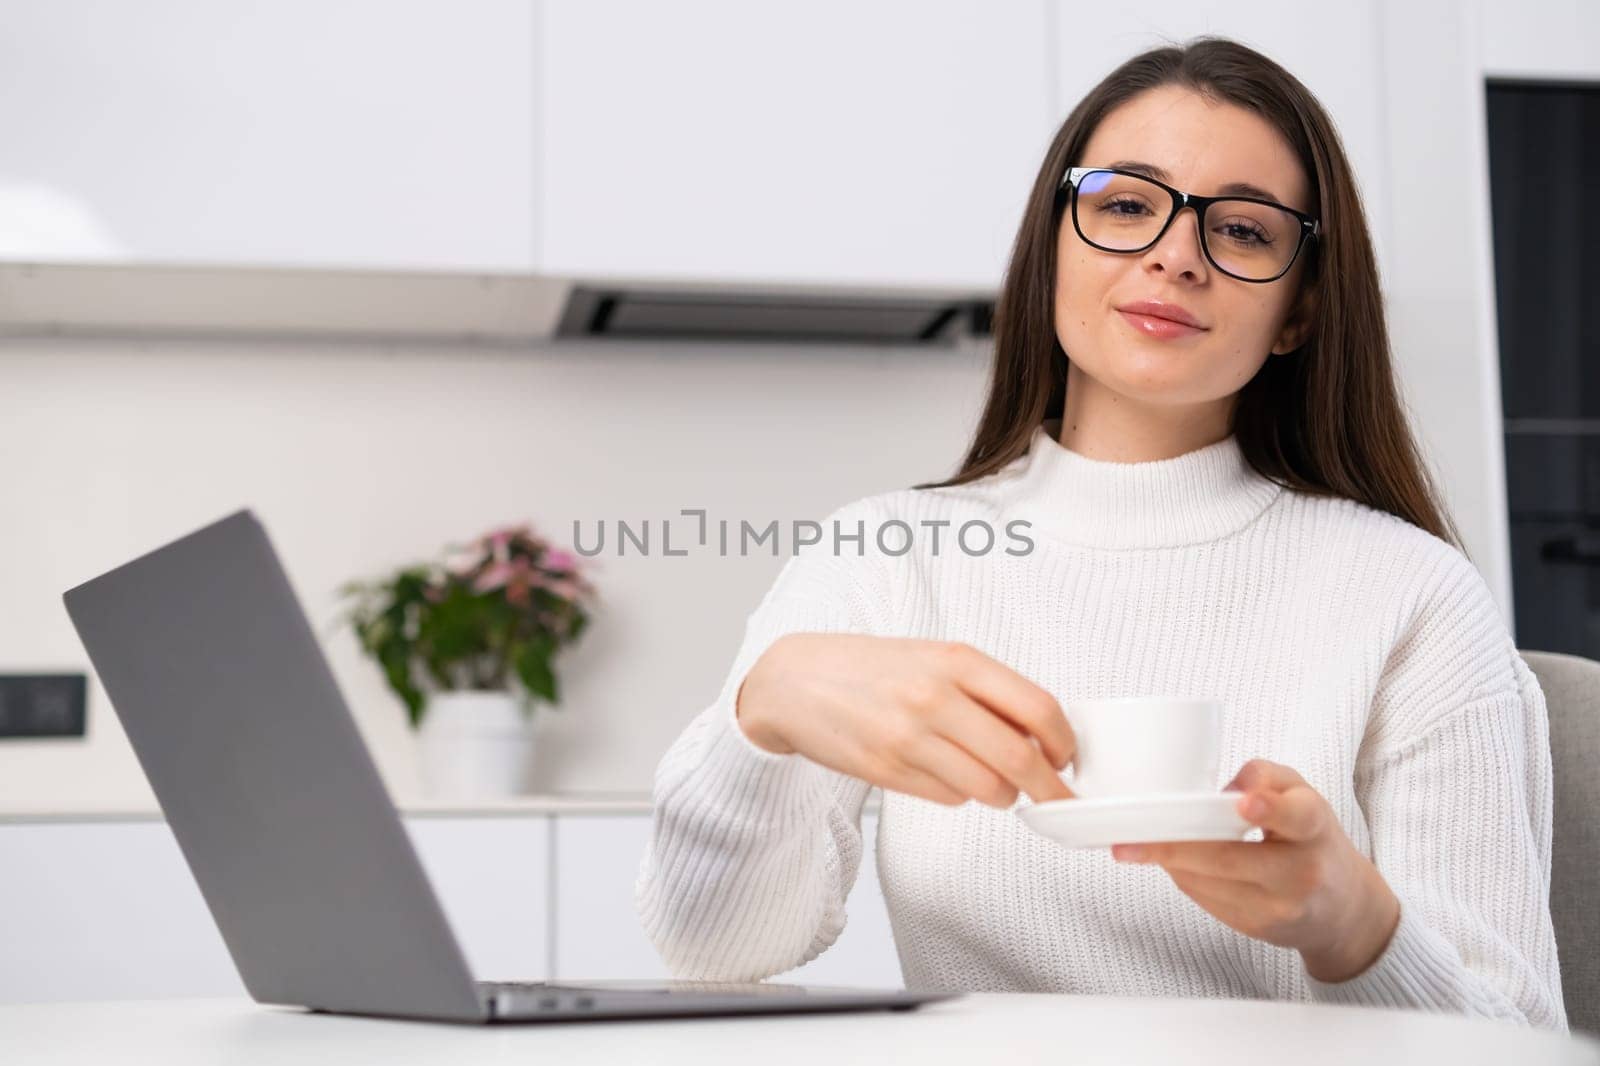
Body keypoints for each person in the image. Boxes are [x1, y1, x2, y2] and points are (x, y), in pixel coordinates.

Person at [633, 36, 1567, 1030]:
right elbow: (710, 954)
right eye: (1125, 205)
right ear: (1052, 247)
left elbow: (1517, 1035)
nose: (1173, 254)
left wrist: (1357, 927)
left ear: (1298, 308)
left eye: (1243, 231)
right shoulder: (884, 556)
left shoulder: (1412, 596)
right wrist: (762, 709)